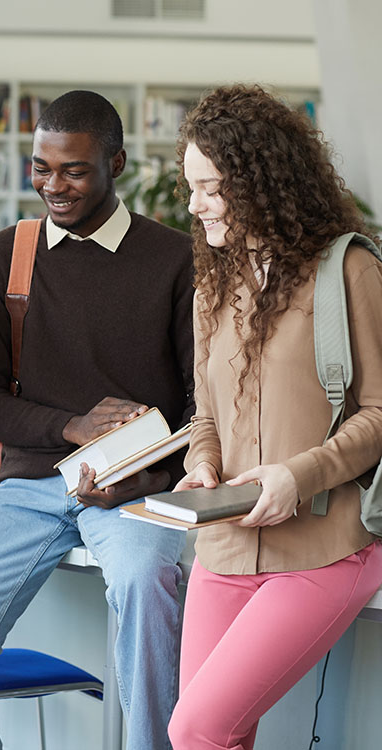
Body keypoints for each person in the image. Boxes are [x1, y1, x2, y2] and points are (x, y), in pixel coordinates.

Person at [0, 90, 194, 750]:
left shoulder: (176, 258)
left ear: (117, 163)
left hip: (136, 496)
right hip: (29, 490)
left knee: (146, 582)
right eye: (41, 168)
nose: (53, 185)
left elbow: (200, 405)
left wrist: (147, 473)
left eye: (73, 169)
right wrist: (72, 426)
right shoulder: (5, 256)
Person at [167, 84, 382, 750]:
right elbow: (205, 411)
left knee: (197, 729)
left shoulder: (349, 270)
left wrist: (299, 475)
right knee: (208, 739)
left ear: (259, 180)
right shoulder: (214, 282)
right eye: (190, 186)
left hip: (325, 549)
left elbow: (379, 412)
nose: (195, 203)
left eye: (210, 186)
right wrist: (203, 463)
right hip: (224, 548)